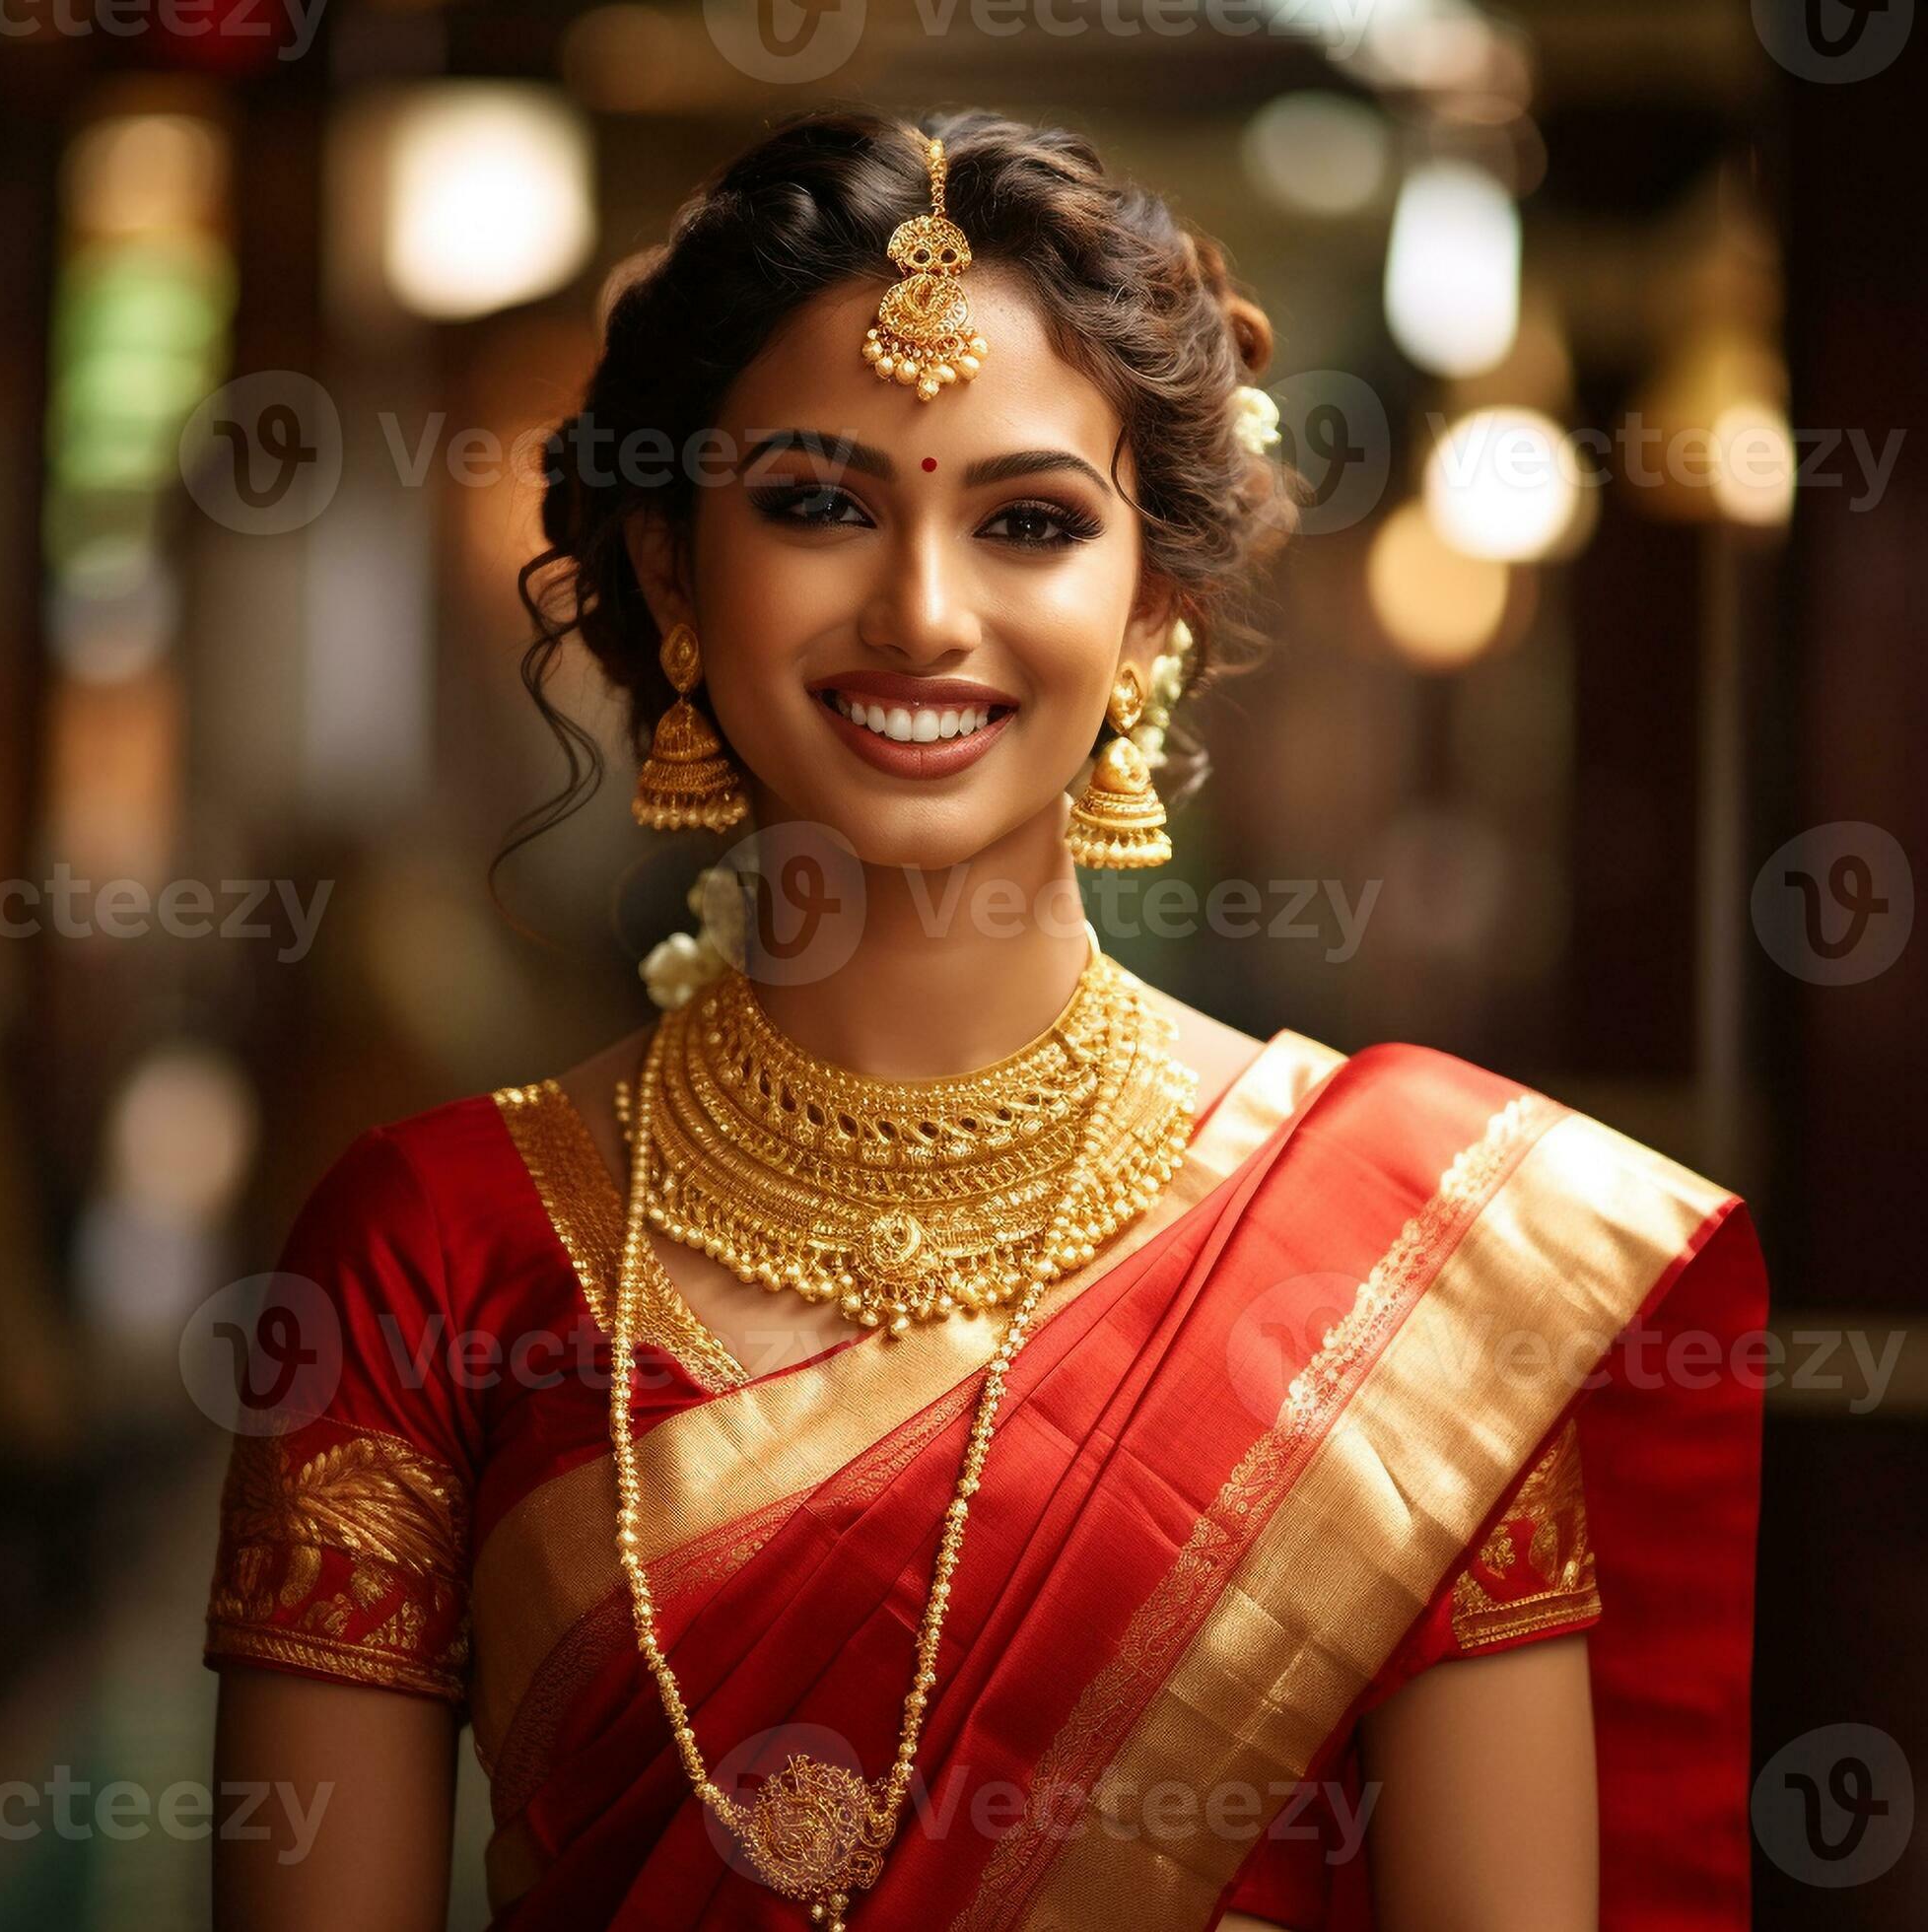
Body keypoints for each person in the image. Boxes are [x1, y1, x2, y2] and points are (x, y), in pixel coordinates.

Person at [203, 108, 1769, 1931]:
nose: (924, 612)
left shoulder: (1413, 1275)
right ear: (666, 572)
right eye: (815, 505)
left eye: (1029, 521)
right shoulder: (430, 1256)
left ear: (1152, 600)